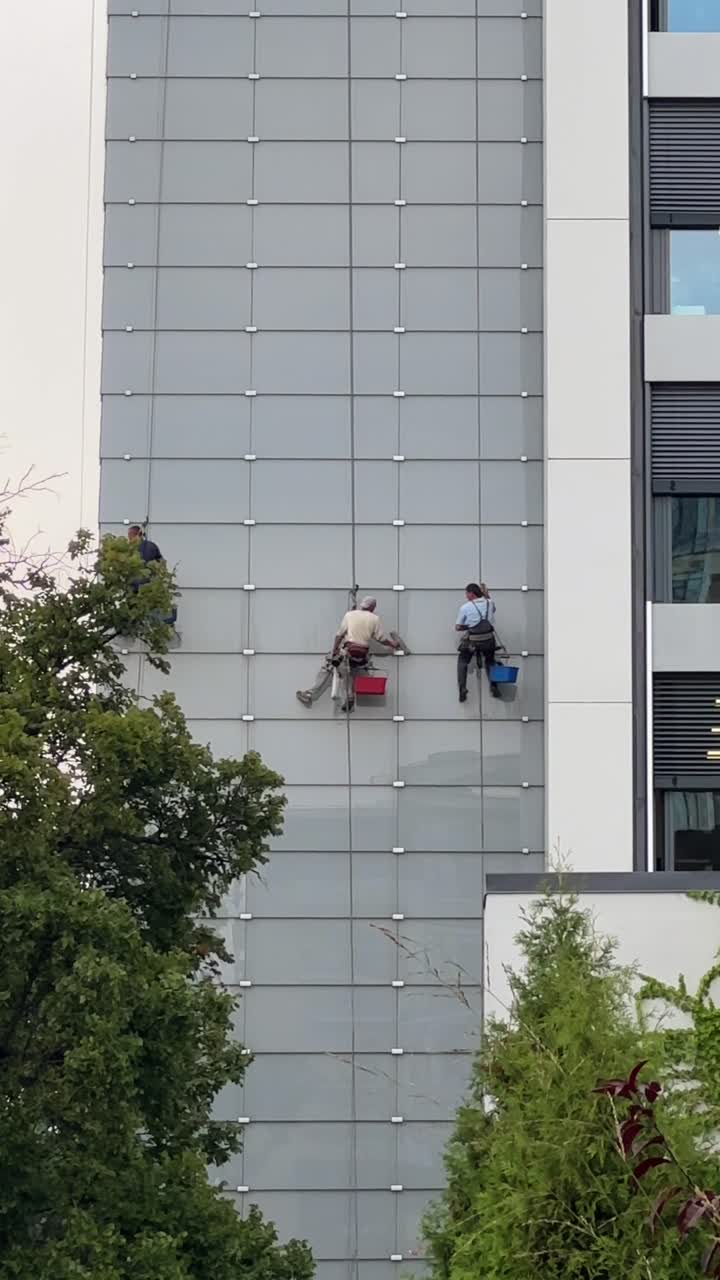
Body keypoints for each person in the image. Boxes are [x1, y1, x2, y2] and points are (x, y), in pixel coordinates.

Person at [296, 597, 400, 708]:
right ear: (373, 607)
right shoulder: (375, 618)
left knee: (329, 668)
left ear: (362, 605)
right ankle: (349, 698)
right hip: (362, 655)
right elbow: (381, 638)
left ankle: (310, 694)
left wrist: (334, 650)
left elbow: (339, 634)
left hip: (348, 650)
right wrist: (392, 644)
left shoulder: (350, 615)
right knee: (348, 673)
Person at [456, 582, 500, 702]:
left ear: (471, 593)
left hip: (473, 642)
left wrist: (469, 627)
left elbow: (458, 627)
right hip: (488, 640)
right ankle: (494, 685)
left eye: (466, 593)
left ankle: (462, 688)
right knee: (490, 661)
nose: (466, 596)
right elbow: (493, 609)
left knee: (463, 661)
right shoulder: (489, 602)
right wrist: (487, 594)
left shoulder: (465, 607)